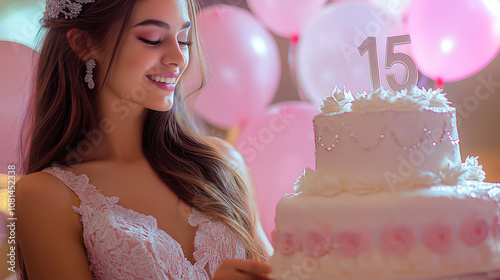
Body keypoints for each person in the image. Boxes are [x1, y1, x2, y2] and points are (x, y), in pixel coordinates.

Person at [15, 0, 273, 279]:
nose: (178, 57)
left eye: (184, 40)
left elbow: (282, 271)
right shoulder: (44, 196)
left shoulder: (222, 164)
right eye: (152, 39)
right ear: (83, 42)